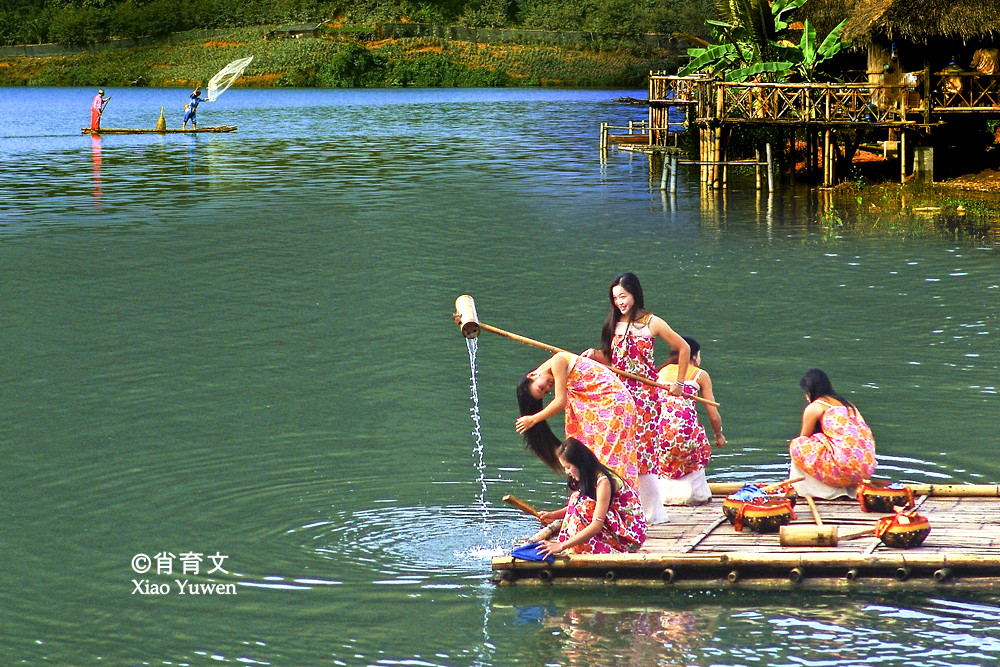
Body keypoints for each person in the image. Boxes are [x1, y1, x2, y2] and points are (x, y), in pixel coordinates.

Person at [582, 272, 689, 523]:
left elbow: (683, 347)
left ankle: (652, 513)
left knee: (643, 451)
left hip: (646, 397)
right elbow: (612, 360)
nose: (620, 302)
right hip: (619, 394)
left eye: (624, 296)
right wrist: (595, 355)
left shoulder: (651, 322)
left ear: (635, 294)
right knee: (622, 448)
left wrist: (679, 383)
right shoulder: (612, 323)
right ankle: (628, 509)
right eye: (616, 298)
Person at [516, 350, 639, 493]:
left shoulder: (558, 361)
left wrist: (533, 419)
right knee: (592, 456)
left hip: (614, 405)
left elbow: (560, 401)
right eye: (545, 392)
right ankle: (593, 498)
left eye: (542, 388)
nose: (548, 388)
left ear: (532, 375)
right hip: (610, 406)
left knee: (610, 459)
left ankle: (618, 501)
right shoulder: (558, 367)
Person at [535, 437, 646, 557]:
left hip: (630, 532)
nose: (567, 472)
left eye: (568, 467)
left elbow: (596, 525)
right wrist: (552, 515)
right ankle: (580, 543)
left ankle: (587, 545)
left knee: (585, 507)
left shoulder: (603, 482)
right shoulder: (589, 476)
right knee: (577, 498)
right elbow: (576, 505)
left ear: (579, 464)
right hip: (615, 522)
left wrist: (562, 546)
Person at [655, 336, 725, 505]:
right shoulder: (700, 375)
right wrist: (718, 435)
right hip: (687, 438)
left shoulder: (659, 374)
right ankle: (695, 494)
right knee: (699, 439)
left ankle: (666, 495)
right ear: (693, 356)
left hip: (661, 436)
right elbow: (713, 414)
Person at [788, 368, 877, 500]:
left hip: (844, 469)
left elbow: (804, 438)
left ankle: (818, 491)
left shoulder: (815, 407)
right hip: (865, 469)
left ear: (810, 391)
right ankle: (848, 490)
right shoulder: (848, 405)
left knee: (797, 445)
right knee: (822, 440)